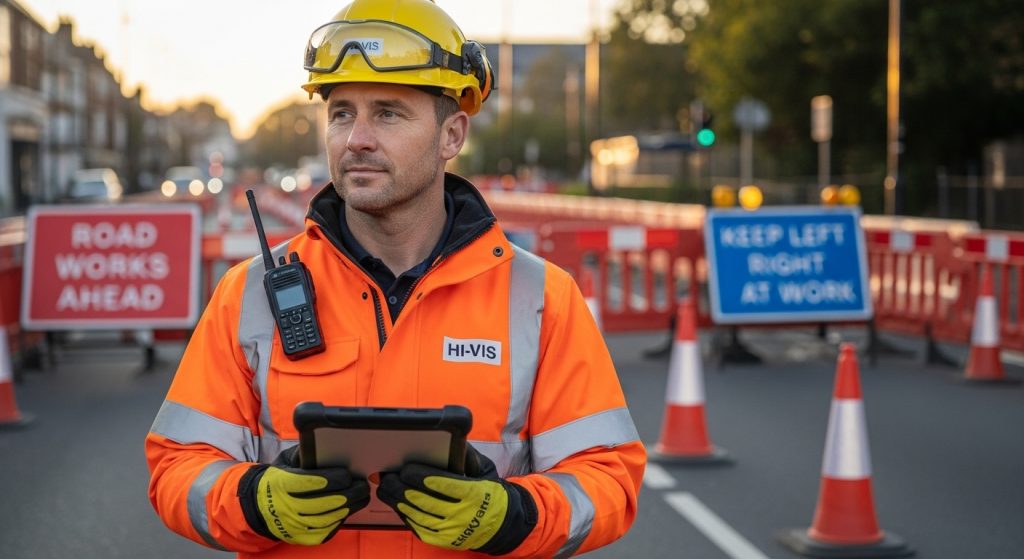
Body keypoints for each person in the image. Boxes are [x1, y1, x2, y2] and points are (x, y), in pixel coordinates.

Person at [145, 1, 645, 557]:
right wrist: (253, 501)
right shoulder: (249, 294)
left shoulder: (541, 298)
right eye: (340, 113)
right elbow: (176, 466)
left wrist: (516, 515)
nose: (356, 138)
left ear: (451, 135)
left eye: (387, 113)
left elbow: (607, 477)